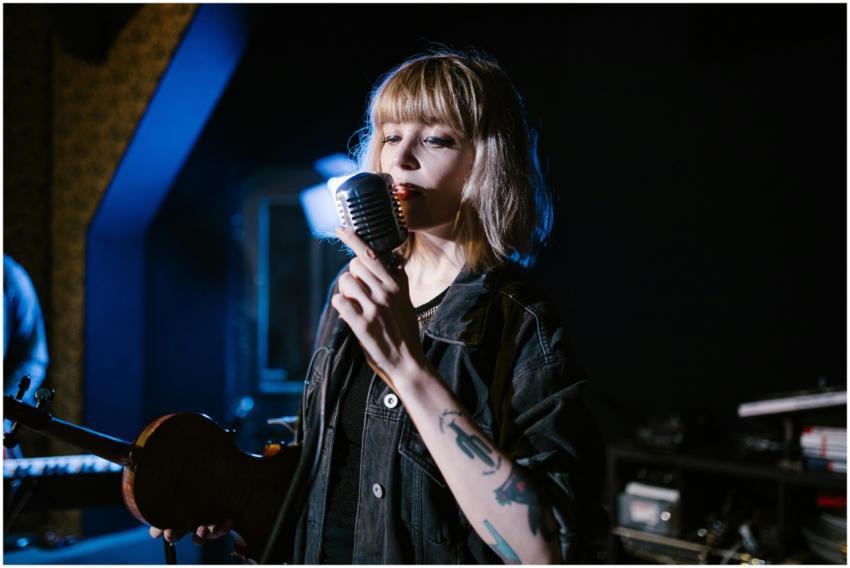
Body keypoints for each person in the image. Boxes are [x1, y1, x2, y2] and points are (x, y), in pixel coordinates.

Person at [153, 48, 606, 564]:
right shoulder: (354, 289)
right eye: (391, 136)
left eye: (435, 139)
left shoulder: (522, 324)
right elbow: (327, 461)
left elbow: (546, 549)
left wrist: (407, 368)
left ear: (486, 161)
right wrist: (227, 490)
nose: (401, 159)